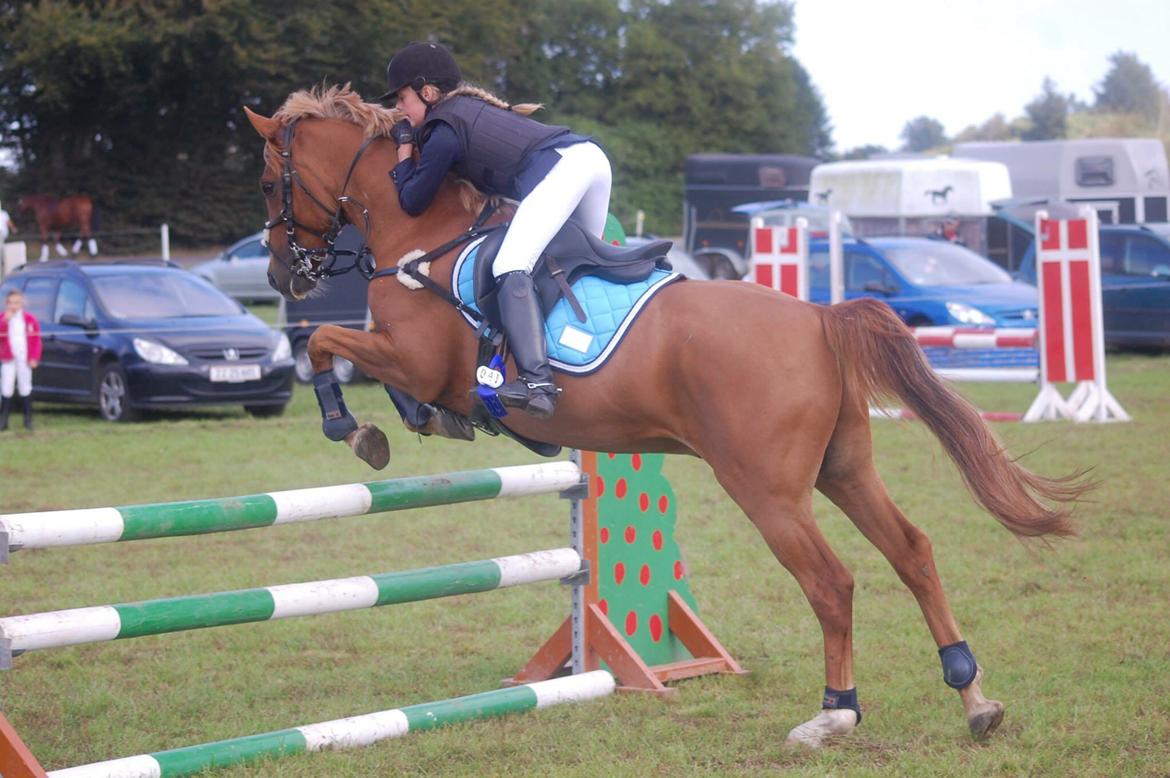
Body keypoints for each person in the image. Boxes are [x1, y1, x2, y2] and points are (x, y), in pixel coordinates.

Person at [379, 41, 613, 420]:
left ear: (426, 92)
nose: (399, 109)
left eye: (402, 98)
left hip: (565, 170)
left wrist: (404, 148)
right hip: (589, 160)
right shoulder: (467, 111)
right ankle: (589, 360)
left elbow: (412, 200)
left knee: (510, 264)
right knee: (576, 266)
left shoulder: (443, 131)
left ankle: (537, 381)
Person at [1, 289, 41, 431]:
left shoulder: (30, 319)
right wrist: (5, 321)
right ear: (6, 304)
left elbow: (36, 340)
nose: (14, 306)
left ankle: (28, 419)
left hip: (24, 357)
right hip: (8, 358)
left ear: (22, 303)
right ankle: (4, 420)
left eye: (17, 303)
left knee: (25, 386)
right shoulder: (3, 318)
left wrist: (34, 357)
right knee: (7, 386)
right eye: (11, 303)